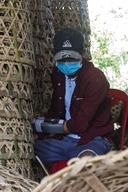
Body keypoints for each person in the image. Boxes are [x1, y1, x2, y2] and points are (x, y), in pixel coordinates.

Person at [33, 28, 114, 165]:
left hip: (90, 140)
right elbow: (55, 111)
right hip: (63, 140)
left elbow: (80, 124)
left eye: (72, 58)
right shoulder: (58, 73)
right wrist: (38, 134)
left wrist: (42, 125)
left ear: (83, 54)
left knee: (85, 163)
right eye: (61, 59)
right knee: (25, 151)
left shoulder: (95, 79)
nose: (66, 63)